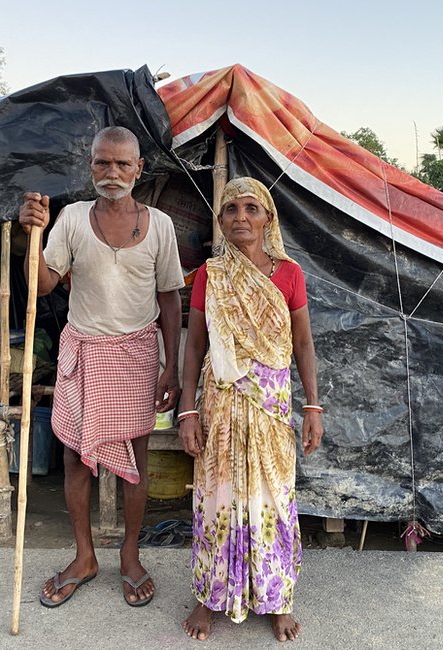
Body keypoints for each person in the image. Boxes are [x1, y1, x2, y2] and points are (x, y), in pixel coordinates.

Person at [18, 126, 184, 608]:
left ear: (139, 169)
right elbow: (44, 285)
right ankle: (85, 556)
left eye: (122, 164)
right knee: (73, 457)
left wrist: (170, 367)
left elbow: (170, 300)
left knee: (135, 461)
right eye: (102, 163)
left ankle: (130, 555)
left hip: (136, 354)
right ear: (90, 166)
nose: (112, 173)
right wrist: (32, 237)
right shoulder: (69, 218)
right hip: (83, 353)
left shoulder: (160, 226)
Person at [178, 177, 323, 641]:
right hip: (221, 403)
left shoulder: (289, 274)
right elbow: (196, 344)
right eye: (231, 209)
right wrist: (187, 410)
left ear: (267, 218)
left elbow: (302, 342)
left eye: (251, 208)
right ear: (220, 221)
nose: (241, 217)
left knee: (273, 500)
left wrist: (313, 406)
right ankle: (208, 597)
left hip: (272, 407)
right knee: (217, 497)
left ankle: (277, 598)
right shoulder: (211, 276)